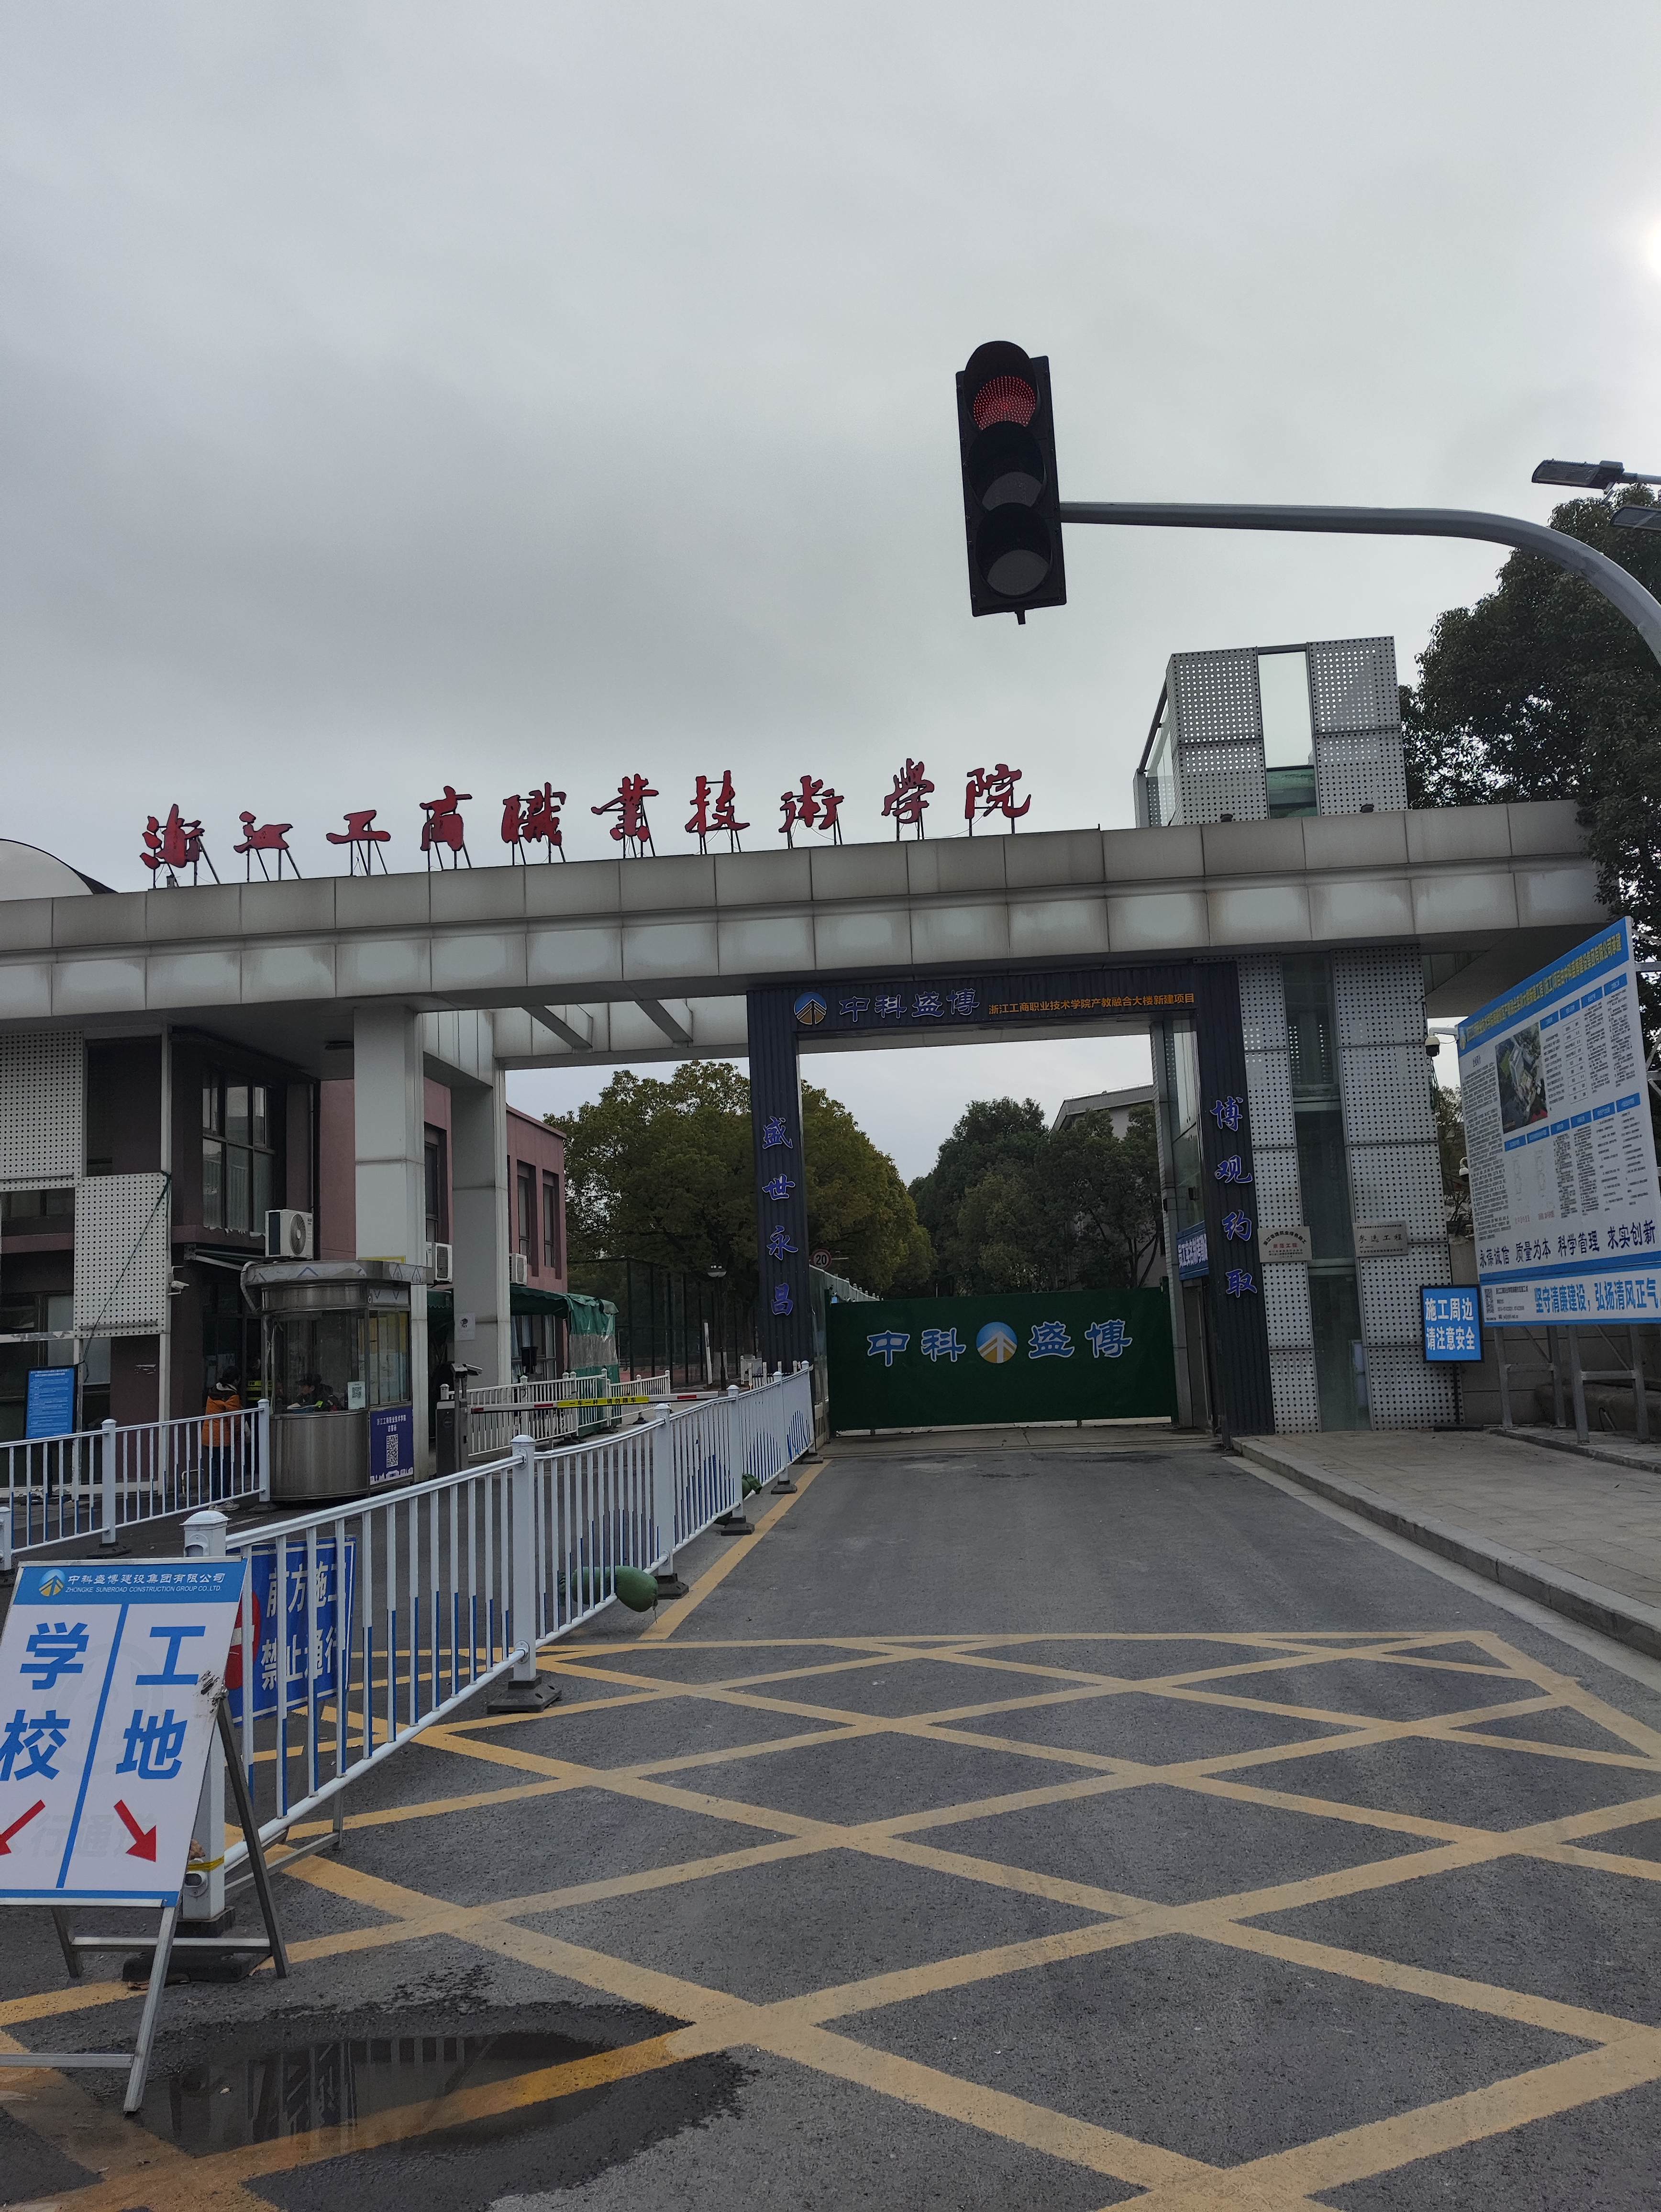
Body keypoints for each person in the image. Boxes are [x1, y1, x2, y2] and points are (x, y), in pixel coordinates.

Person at [201, 1370, 242, 1498]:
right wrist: (238, 1435)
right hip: (222, 1438)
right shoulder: (232, 1396)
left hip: (208, 1436)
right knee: (224, 1470)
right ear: (236, 1381)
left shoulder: (213, 1392)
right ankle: (223, 1500)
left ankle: (215, 1500)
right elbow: (235, 1420)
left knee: (215, 1469)